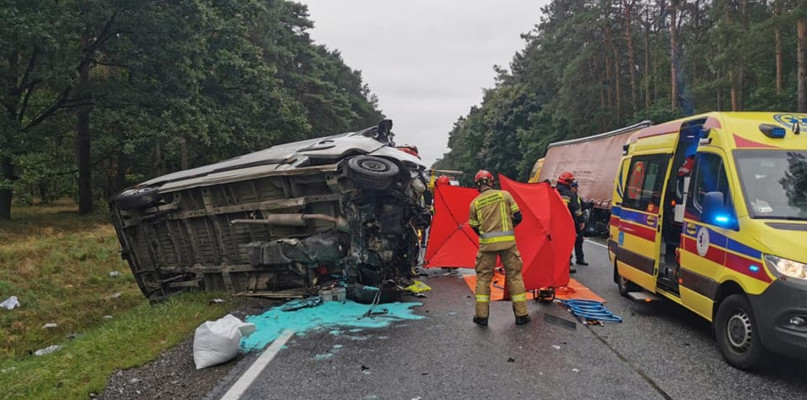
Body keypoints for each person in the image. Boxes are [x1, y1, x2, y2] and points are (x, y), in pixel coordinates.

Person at [468, 170, 530, 326]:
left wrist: (486, 233)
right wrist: (509, 227)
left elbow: (474, 227)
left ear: (477, 185)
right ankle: (521, 315)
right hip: (508, 244)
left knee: (483, 280)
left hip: (487, 246)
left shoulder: (474, 204)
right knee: (514, 276)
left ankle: (481, 317)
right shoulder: (505, 195)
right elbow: (518, 217)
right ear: (491, 182)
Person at [556, 172, 586, 272]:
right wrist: (581, 221)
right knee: (566, 245)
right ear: (568, 182)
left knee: (556, 245)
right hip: (566, 224)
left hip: (554, 223)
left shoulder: (553, 191)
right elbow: (577, 211)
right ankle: (566, 266)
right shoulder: (570, 194)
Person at [570, 181, 590, 267]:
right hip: (572, 223)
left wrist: (590, 204)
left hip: (577, 223)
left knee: (579, 241)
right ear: (572, 187)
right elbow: (576, 210)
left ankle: (580, 259)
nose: (577, 189)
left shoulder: (576, 197)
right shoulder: (569, 196)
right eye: (575, 187)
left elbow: (583, 205)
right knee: (569, 243)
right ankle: (568, 261)